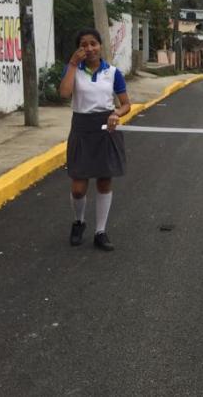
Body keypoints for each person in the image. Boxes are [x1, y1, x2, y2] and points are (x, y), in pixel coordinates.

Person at [58, 28, 131, 251]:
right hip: (81, 129)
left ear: (100, 46)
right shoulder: (74, 70)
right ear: (79, 48)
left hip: (105, 129)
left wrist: (115, 114)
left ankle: (100, 231)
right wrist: (71, 65)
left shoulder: (113, 72)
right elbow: (64, 94)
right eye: (84, 45)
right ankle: (79, 222)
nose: (89, 48)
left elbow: (126, 104)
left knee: (103, 182)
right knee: (79, 187)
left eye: (93, 44)